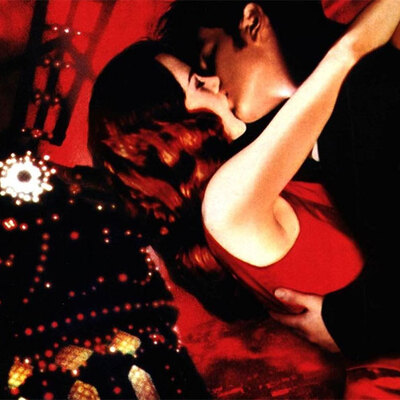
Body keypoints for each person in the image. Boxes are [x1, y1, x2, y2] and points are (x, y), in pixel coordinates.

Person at [156, 0, 400, 361]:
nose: (214, 83)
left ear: (253, 22)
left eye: (208, 58)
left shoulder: (373, 87)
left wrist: (352, 321)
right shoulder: (274, 168)